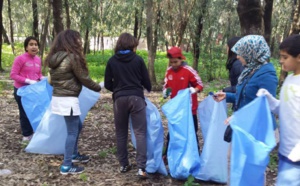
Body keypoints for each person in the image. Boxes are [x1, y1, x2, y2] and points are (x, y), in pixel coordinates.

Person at [45, 29, 102, 175]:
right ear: (72, 41)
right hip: (68, 99)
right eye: (77, 40)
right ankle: (67, 165)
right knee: (72, 131)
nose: (79, 42)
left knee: (77, 125)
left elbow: (53, 82)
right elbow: (84, 78)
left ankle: (74, 154)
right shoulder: (72, 57)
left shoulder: (54, 57)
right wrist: (98, 87)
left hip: (58, 97)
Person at [104, 32, 151, 178]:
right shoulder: (138, 60)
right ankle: (141, 168)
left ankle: (124, 164)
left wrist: (118, 90)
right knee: (140, 133)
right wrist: (144, 88)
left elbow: (107, 84)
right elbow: (146, 82)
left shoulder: (112, 61)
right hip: (136, 99)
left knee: (121, 133)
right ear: (132, 46)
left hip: (119, 100)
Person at [256, 34, 300, 185]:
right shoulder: (289, 79)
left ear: (299, 57)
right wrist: (269, 98)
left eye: (285, 57)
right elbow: (284, 109)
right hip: (285, 150)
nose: (280, 61)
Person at [213, 35, 278, 123]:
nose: (237, 57)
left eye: (241, 53)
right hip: (244, 123)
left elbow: (265, 106)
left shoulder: (267, 75)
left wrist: (240, 116)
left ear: (251, 52)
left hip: (256, 129)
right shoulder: (249, 70)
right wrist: (227, 96)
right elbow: (246, 96)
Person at [162, 46, 203, 161]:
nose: (174, 64)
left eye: (176, 62)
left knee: (192, 133)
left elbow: (200, 85)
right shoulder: (169, 71)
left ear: (181, 59)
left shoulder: (188, 71)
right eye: (171, 62)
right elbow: (166, 86)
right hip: (175, 109)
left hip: (189, 109)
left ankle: (196, 156)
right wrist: (166, 92)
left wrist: (193, 90)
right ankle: (167, 155)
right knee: (173, 133)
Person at [10, 36, 43, 142]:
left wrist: (42, 78)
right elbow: (13, 75)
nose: (34, 47)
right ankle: (26, 135)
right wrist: (28, 81)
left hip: (33, 91)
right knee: (24, 112)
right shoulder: (20, 59)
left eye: (36, 44)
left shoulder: (38, 59)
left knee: (33, 111)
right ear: (26, 47)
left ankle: (34, 132)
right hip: (21, 90)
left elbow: (38, 74)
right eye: (31, 44)